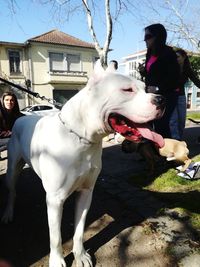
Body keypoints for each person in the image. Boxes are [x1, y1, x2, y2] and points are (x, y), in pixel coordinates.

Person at [139, 23, 180, 138]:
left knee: (161, 124)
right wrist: (144, 72)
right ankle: (150, 154)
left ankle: (165, 152)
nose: (145, 40)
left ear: (158, 37)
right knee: (148, 123)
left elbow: (174, 78)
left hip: (168, 94)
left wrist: (158, 88)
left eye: (148, 37)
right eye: (144, 37)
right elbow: (154, 74)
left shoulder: (169, 54)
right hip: (153, 94)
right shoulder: (149, 53)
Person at [173, 49, 200, 140]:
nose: (176, 59)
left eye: (177, 57)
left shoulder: (187, 69)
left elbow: (196, 80)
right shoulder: (171, 68)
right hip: (171, 96)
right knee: (174, 121)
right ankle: (176, 141)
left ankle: (178, 139)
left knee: (181, 121)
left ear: (184, 57)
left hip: (181, 96)